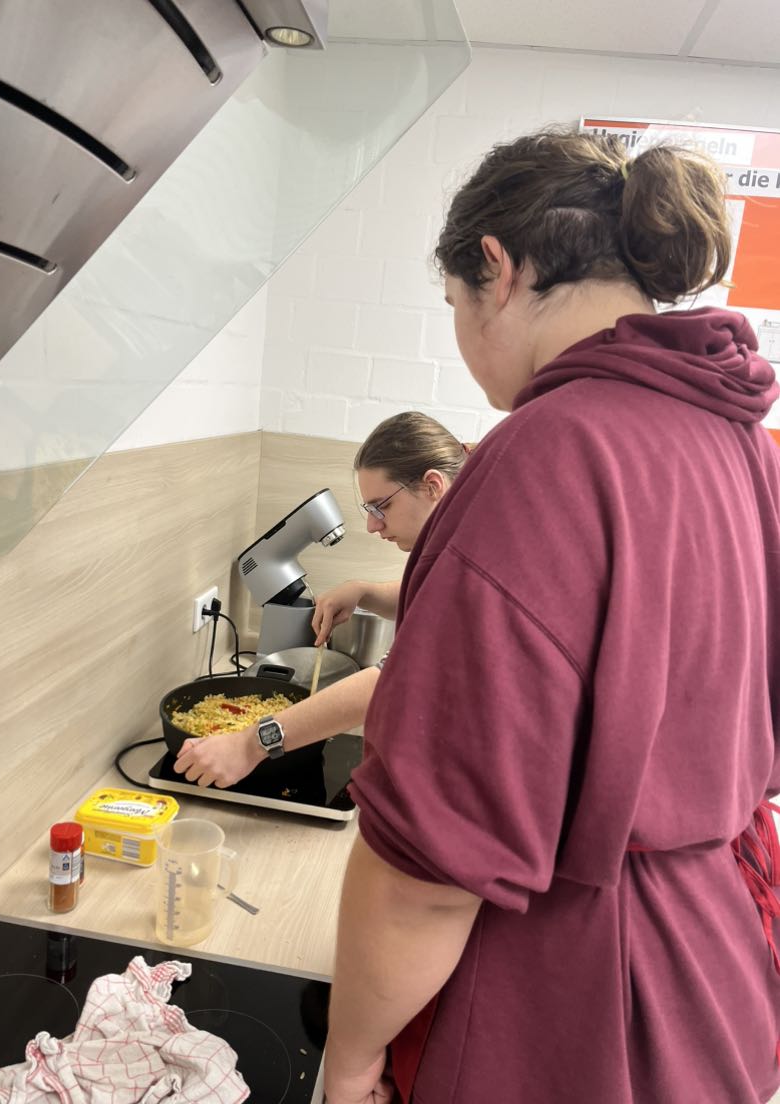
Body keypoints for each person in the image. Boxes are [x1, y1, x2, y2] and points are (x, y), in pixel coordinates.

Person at [322, 129, 780, 1104]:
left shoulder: (543, 454)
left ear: (498, 269)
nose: (461, 336)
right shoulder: (739, 442)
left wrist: (351, 1056)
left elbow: (427, 873)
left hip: (569, 1003)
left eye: (455, 304)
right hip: (721, 964)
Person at [173, 411, 470, 789]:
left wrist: (249, 745)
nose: (373, 525)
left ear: (432, 486)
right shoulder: (465, 537)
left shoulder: (470, 560)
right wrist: (364, 591)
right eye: (369, 511)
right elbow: (432, 598)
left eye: (381, 506)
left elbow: (390, 681)